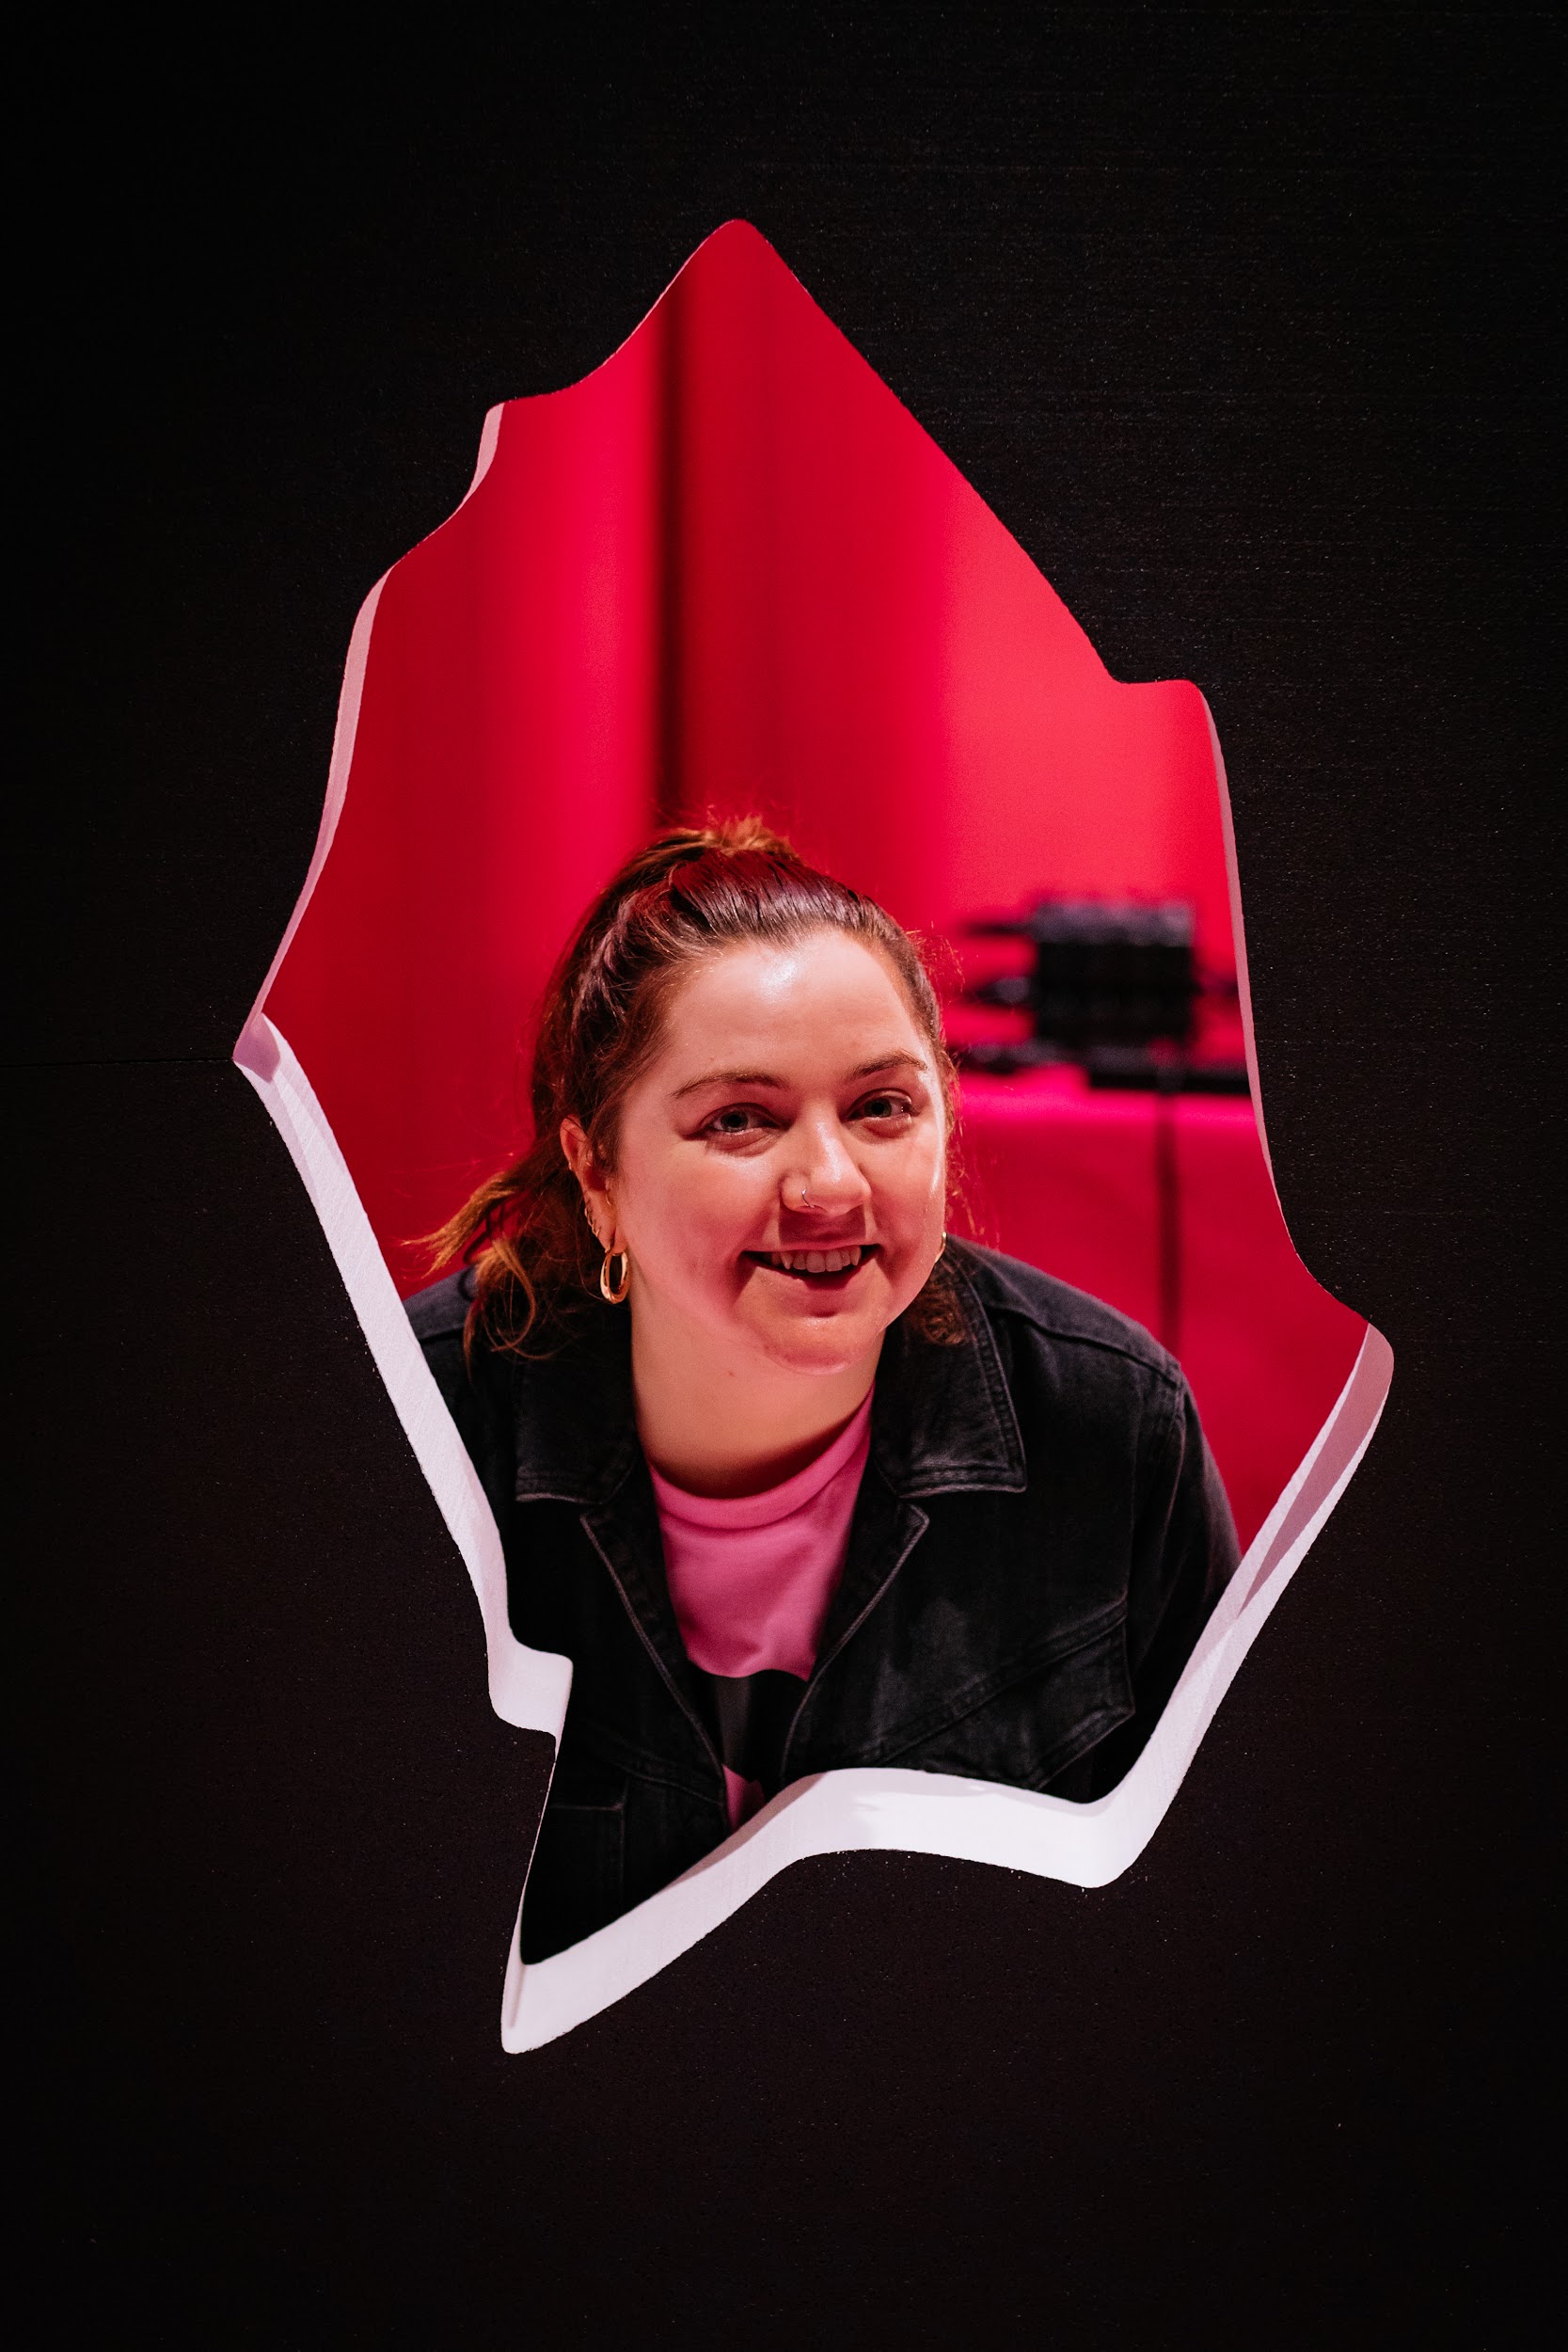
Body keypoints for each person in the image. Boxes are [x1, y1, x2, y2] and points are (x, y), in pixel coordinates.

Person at [408, 820, 1238, 1960]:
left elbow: (1210, 1916)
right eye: (737, 1120)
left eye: (880, 1107)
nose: (827, 1184)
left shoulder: (1108, 1426)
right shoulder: (419, 1427)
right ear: (597, 1173)